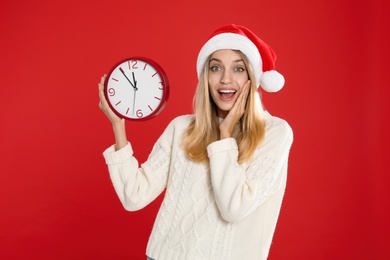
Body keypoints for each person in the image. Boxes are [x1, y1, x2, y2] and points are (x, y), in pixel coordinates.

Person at [98, 24, 293, 260]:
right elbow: (134, 196)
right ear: (206, 76)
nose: (226, 79)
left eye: (239, 69)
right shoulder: (182, 128)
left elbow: (234, 208)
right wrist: (118, 125)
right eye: (215, 68)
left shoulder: (275, 132)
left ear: (253, 78)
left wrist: (225, 134)